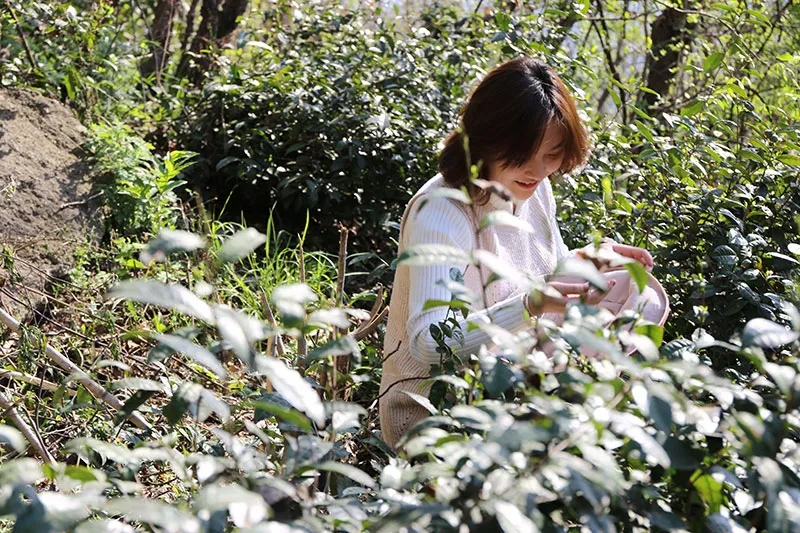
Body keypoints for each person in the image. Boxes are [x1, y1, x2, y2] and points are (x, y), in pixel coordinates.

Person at [378, 57, 664, 448]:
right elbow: (430, 344)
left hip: (515, 384)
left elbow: (549, 266)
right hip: (439, 420)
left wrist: (594, 259)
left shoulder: (535, 186)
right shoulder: (442, 211)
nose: (536, 169)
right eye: (521, 153)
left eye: (551, 154)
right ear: (486, 140)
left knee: (636, 300)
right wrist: (528, 306)